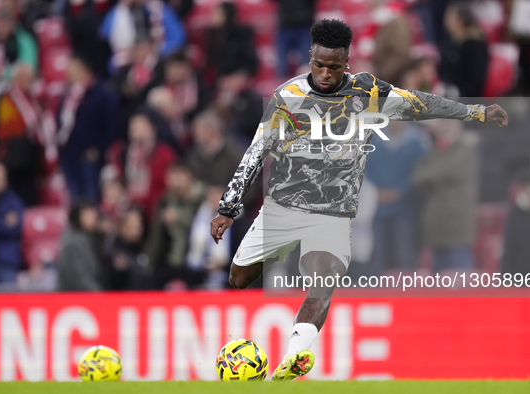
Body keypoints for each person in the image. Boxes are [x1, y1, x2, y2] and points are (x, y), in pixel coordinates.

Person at [210, 19, 508, 381]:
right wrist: (229, 206)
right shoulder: (286, 97)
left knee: (325, 277)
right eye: (318, 64)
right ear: (310, 56)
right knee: (239, 277)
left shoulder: (366, 92)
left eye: (333, 67)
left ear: (347, 61)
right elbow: (256, 151)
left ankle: (293, 358)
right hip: (285, 205)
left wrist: (474, 112)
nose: (324, 73)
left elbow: (420, 103)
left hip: (333, 212)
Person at [413, 119, 479, 273]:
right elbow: (417, 175)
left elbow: (446, 170)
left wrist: (431, 173)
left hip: (457, 229)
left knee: (460, 284)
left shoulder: (466, 148)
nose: (443, 126)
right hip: (436, 229)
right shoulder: (435, 149)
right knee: (437, 289)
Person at [365, 121, 428, 276]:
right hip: (378, 209)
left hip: (405, 209)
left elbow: (420, 170)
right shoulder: (374, 139)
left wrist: (401, 190)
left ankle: (407, 297)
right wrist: (376, 191)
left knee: (404, 254)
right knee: (378, 255)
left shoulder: (417, 141)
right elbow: (365, 168)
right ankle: (378, 295)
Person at [0, 63, 44, 206]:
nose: (26, 82)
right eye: (23, 78)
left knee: (29, 204)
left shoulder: (36, 102)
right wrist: (1, 150)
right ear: (15, 79)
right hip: (9, 165)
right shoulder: (2, 101)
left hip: (30, 166)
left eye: (29, 78)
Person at [57, 55, 120, 202]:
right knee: (75, 199)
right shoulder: (67, 94)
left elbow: (112, 125)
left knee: (90, 199)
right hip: (69, 155)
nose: (68, 73)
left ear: (84, 70)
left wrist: (98, 149)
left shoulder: (102, 94)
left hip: (89, 157)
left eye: (72, 69)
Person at [106, 112, 177, 220]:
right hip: (130, 207)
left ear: (152, 129)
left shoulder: (164, 153)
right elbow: (119, 180)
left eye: (140, 125)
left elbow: (169, 184)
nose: (135, 129)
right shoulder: (123, 152)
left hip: (156, 207)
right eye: (133, 126)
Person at [148, 162, 205, 289]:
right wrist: (151, 261)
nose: (175, 182)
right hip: (169, 260)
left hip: (196, 261)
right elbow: (156, 234)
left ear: (189, 177)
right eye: (171, 177)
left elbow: (206, 225)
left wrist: (179, 217)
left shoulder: (202, 199)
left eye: (178, 177)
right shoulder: (164, 201)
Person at [439, 2, 489, 97]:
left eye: (449, 17)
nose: (445, 20)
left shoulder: (475, 45)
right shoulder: (451, 42)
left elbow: (475, 79)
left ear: (460, 20)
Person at [57, 201, 103, 291]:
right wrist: (98, 294)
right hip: (75, 298)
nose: (94, 217)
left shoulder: (89, 237)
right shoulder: (72, 242)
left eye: (93, 213)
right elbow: (78, 278)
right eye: (88, 214)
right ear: (78, 216)